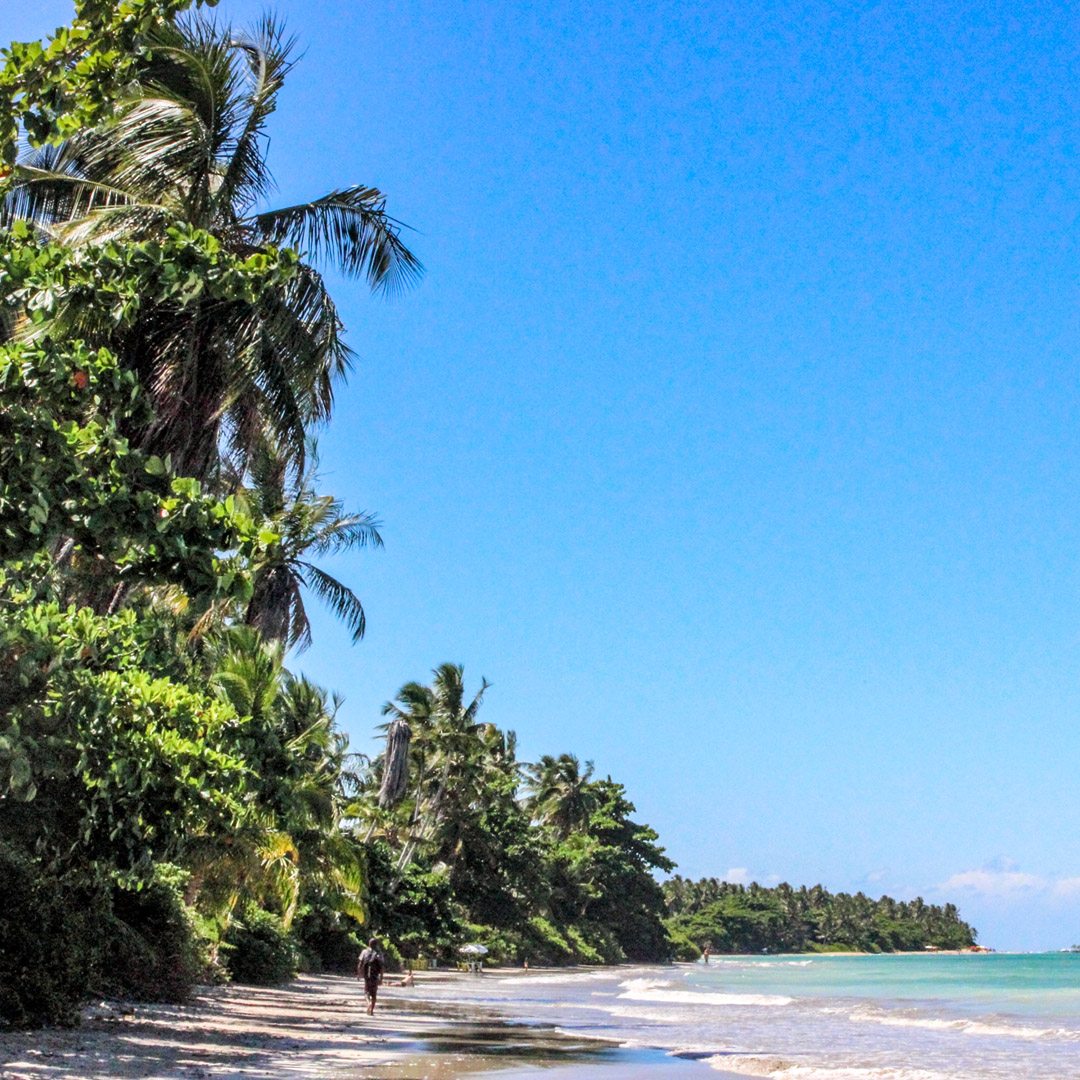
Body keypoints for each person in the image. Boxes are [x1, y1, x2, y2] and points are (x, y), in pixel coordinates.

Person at [356, 937, 385, 1015]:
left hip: (367, 976)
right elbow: (382, 967)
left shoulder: (364, 952)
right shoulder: (379, 954)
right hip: (375, 976)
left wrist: (359, 974)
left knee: (366, 992)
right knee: (374, 994)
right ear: (376, 945)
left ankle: (368, 1003)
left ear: (369, 944)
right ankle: (371, 1010)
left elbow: (360, 964)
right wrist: (381, 978)